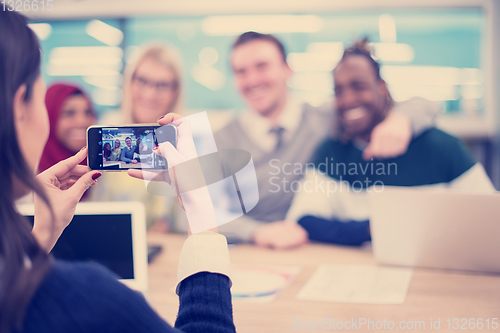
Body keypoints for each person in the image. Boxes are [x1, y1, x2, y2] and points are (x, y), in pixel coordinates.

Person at [0, 10, 235, 333]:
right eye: (42, 98)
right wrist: (204, 221)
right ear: (19, 107)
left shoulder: (191, 137)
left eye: (162, 84)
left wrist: (41, 234)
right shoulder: (92, 298)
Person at [209, 31, 440, 245]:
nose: (252, 80)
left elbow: (425, 104)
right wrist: (257, 232)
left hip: (314, 245)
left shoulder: (324, 118)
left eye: (262, 66)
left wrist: (400, 120)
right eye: (241, 72)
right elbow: (193, 213)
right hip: (250, 251)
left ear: (287, 70)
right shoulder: (221, 141)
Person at [279, 38, 495, 248]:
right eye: (339, 91)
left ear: (381, 87)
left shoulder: (443, 147)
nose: (348, 99)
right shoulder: (332, 151)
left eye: (359, 86)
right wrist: (375, 228)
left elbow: (490, 220)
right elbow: (303, 220)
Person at [93, 44, 183, 229]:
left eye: (162, 85)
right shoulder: (108, 130)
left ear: (175, 90)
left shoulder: (187, 140)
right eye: (142, 81)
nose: (150, 94)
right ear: (129, 81)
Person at [38, 83, 96, 173]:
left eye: (88, 112)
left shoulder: (99, 168)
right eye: (69, 113)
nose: (81, 121)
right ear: (50, 118)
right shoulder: (29, 174)